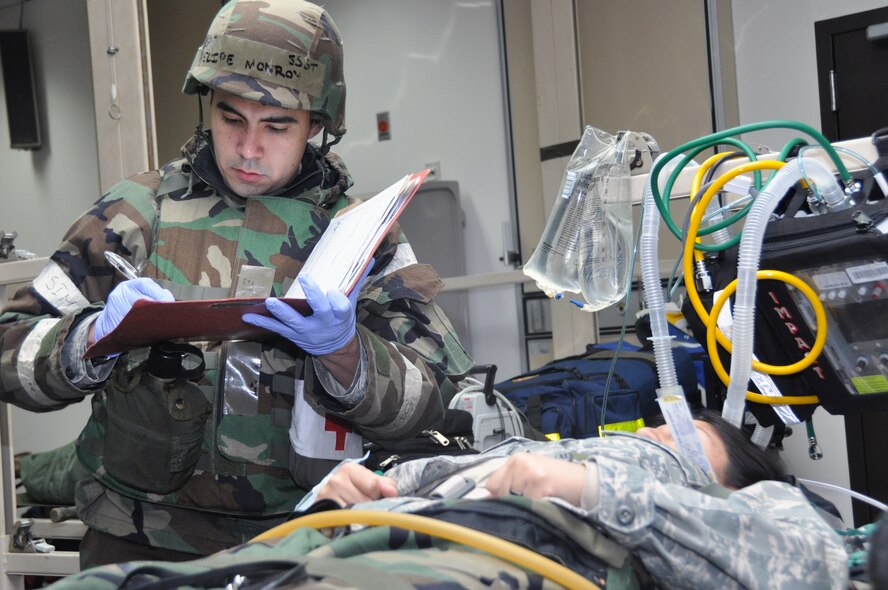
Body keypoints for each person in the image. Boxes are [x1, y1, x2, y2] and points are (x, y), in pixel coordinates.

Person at [0, 0, 472, 568]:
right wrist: (90, 339)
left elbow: (444, 406)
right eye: (231, 118)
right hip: (137, 542)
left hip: (306, 540)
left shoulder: (361, 236)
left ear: (317, 126)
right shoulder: (136, 212)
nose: (249, 149)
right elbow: (8, 347)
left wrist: (347, 354)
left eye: (276, 126)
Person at [44, 410, 850, 589]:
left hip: (507, 555)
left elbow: (805, 559)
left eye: (677, 447)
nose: (651, 438)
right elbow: (408, 477)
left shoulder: (757, 509)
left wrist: (591, 486)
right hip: (347, 533)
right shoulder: (526, 453)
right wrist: (338, 485)